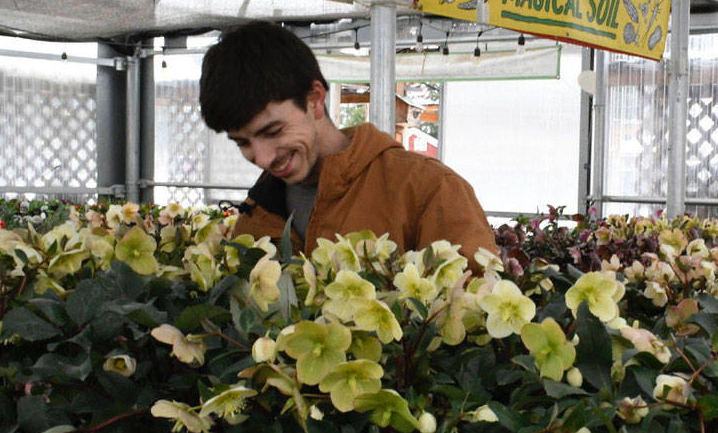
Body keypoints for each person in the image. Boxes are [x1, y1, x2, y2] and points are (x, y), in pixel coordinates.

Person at [199, 21, 497, 265]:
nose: (262, 159)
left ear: (314, 100)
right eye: (242, 142)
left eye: (273, 131)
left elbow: (473, 316)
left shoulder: (429, 189)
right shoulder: (261, 205)